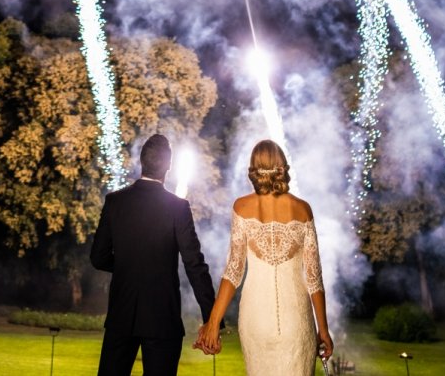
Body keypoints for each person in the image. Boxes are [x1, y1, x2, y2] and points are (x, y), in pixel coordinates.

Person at [195, 139, 333, 375]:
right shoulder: (303, 209)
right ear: (282, 166)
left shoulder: (241, 207)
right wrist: (323, 330)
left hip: (254, 319)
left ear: (253, 169)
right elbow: (314, 279)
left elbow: (233, 271)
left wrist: (213, 322)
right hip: (296, 321)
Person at [90, 133, 219, 376]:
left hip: (122, 315)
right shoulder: (178, 207)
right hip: (162, 318)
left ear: (141, 161)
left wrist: (128, 265)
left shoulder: (115, 202)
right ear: (168, 166)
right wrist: (212, 318)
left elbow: (98, 257)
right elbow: (194, 264)